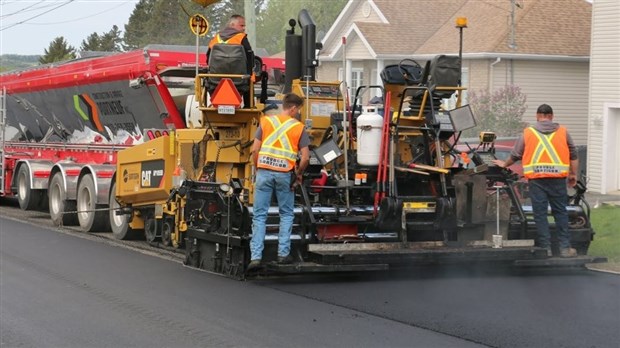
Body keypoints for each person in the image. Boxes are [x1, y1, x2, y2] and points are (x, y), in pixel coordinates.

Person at [493, 104, 579, 258]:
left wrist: (504, 164)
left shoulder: (528, 133)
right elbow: (573, 154)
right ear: (551, 116)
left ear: (537, 116)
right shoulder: (563, 132)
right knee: (560, 212)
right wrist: (573, 174)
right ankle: (565, 249)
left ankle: (546, 249)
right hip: (557, 180)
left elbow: (515, 154)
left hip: (537, 181)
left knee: (540, 214)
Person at [249, 94, 310, 269]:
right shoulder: (298, 128)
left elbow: (255, 150)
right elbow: (305, 158)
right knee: (286, 214)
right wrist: (298, 174)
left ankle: (256, 257)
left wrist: (258, 168)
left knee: (260, 215)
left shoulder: (266, 121)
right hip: (284, 175)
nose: (298, 113)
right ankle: (283, 254)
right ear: (292, 108)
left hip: (264, 173)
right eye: (298, 109)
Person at [206, 14, 254, 107]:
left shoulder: (216, 37)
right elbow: (249, 57)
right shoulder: (241, 37)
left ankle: (212, 104)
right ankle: (248, 106)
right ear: (232, 25)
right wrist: (249, 72)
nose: (244, 28)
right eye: (241, 25)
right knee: (250, 80)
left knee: (205, 81)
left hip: (215, 80)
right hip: (238, 80)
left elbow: (208, 58)